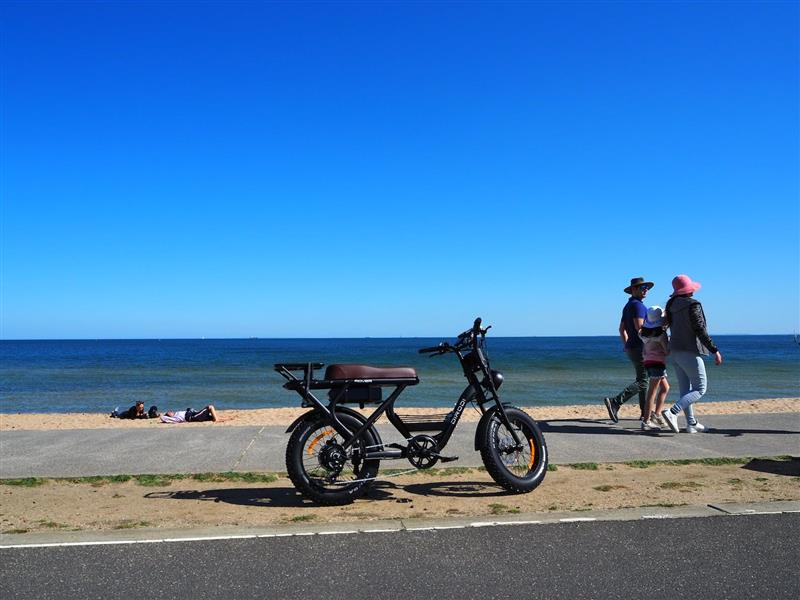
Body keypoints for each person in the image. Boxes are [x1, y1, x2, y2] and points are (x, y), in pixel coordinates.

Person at [660, 274, 723, 434]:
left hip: (675, 351)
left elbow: (663, 327)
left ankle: (691, 423)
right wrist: (714, 349)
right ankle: (672, 412)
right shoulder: (693, 305)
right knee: (700, 389)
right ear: (689, 290)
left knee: (685, 390)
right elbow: (700, 329)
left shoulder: (671, 305)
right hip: (690, 351)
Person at [603, 277, 653, 423]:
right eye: (642, 288)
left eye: (646, 288)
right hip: (640, 347)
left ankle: (645, 413)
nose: (645, 290)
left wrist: (626, 345)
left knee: (643, 379)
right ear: (633, 290)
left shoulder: (628, 305)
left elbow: (621, 329)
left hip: (632, 347)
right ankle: (616, 402)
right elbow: (640, 328)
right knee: (644, 381)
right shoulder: (638, 305)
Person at [638, 306, 670, 431]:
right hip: (658, 363)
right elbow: (666, 351)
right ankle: (646, 421)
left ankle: (656, 414)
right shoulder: (661, 335)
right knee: (652, 392)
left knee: (665, 387)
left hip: (648, 362)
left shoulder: (643, 334)